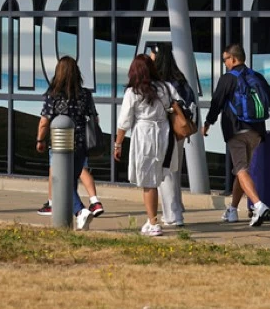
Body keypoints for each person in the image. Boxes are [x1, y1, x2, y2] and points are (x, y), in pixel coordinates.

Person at [202, 43, 270, 227]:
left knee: (241, 169)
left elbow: (217, 103)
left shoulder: (228, 78)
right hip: (256, 133)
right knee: (241, 170)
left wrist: (207, 124)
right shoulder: (256, 76)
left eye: (225, 59)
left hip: (236, 131)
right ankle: (233, 210)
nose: (225, 63)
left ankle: (259, 206)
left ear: (233, 59)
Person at [36, 56, 101, 230]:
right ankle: (75, 217)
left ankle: (80, 212)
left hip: (60, 145)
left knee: (61, 182)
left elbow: (44, 121)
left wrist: (40, 140)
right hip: (81, 144)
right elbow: (95, 118)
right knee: (70, 180)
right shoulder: (85, 94)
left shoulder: (53, 95)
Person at [114, 54, 171, 236]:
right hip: (163, 133)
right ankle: (150, 219)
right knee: (154, 177)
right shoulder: (164, 88)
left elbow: (123, 122)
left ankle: (154, 222)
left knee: (148, 181)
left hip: (145, 134)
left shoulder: (133, 92)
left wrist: (118, 144)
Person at [149, 43, 196, 227]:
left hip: (166, 131)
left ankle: (172, 214)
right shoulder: (180, 79)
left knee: (165, 172)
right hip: (181, 131)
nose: (150, 58)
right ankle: (177, 206)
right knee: (174, 170)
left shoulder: (162, 83)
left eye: (152, 55)